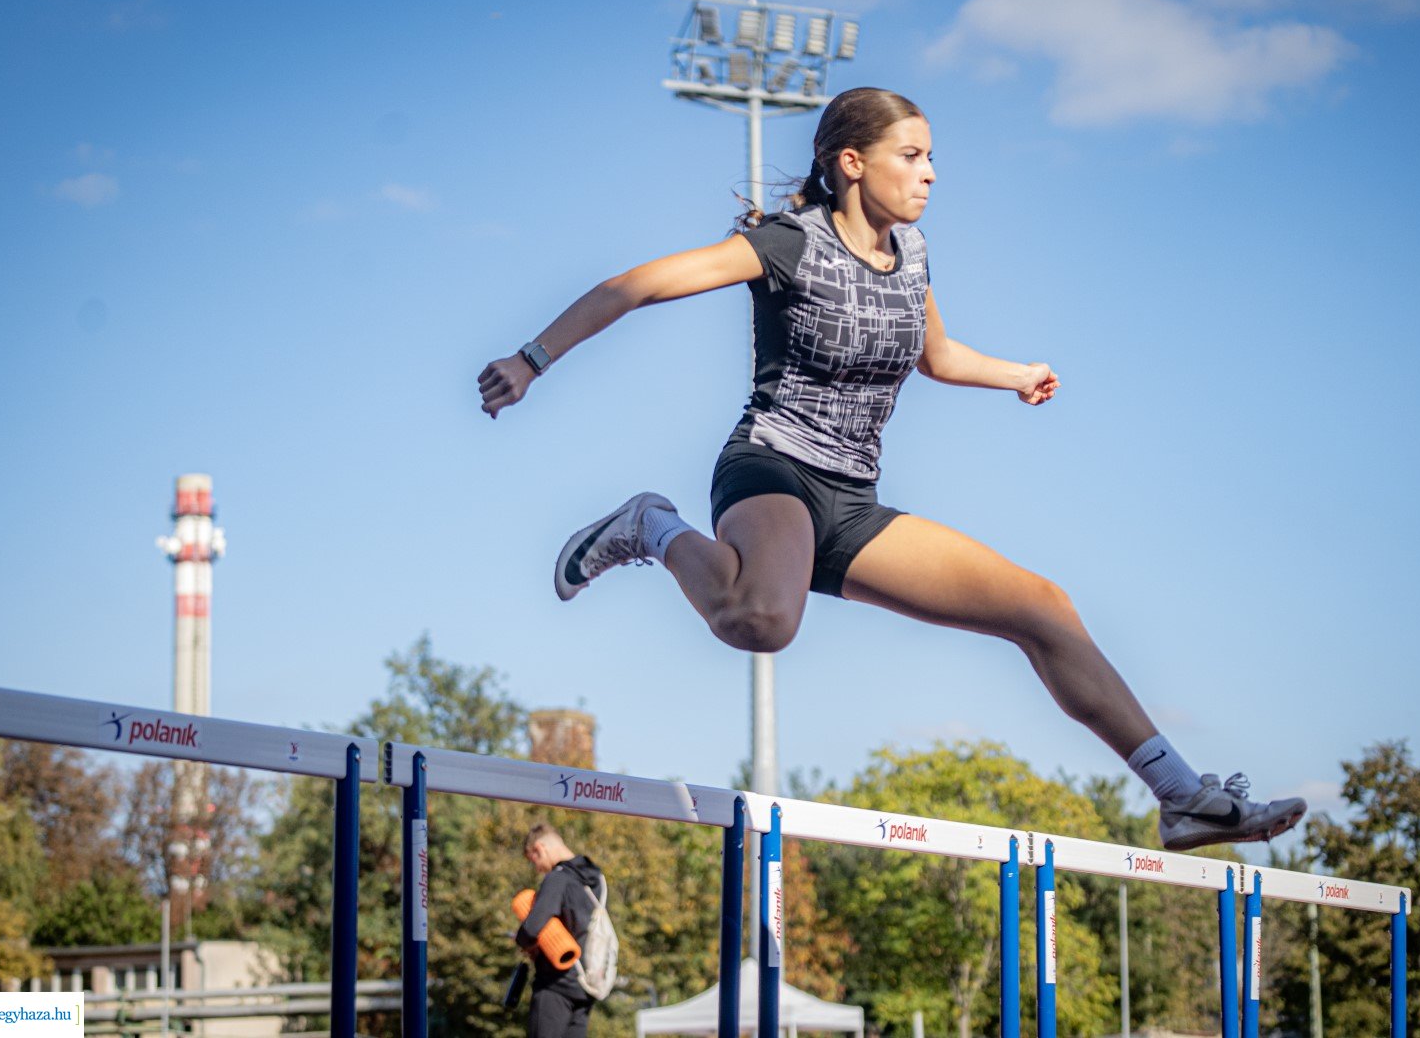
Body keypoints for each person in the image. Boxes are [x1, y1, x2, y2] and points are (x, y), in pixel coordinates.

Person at [477, 87, 1305, 852]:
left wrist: (1013, 373)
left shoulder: (912, 253)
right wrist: (532, 357)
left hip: (853, 502)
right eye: (912, 156)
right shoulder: (789, 245)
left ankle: (1181, 796)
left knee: (1042, 608)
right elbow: (638, 285)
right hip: (773, 469)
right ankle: (648, 525)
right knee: (762, 621)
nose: (932, 174)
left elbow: (936, 355)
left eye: (932, 156)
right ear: (852, 163)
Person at [516, 824, 605, 1038]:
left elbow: (531, 929)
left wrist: (521, 940)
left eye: (533, 860)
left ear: (540, 848)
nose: (538, 868)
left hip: (556, 986)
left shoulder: (558, 878)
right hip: (586, 984)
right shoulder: (596, 880)